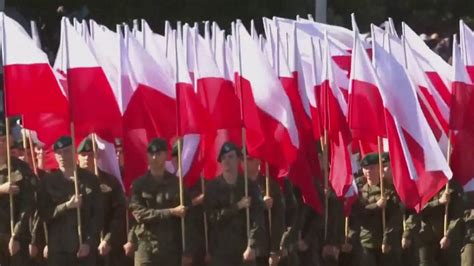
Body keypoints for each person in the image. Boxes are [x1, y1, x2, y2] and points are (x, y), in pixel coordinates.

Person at [37, 136, 103, 266]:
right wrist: (66, 206)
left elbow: (98, 215)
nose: (62, 156)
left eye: (66, 151)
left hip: (83, 247)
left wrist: (89, 243)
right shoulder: (48, 182)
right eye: (58, 152)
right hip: (58, 248)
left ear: (74, 152)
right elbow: (43, 214)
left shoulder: (90, 180)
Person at [128, 138, 195, 266]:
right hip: (146, 247)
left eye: (158, 154)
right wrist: (171, 212)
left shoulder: (177, 184)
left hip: (171, 248)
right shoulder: (139, 185)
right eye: (151, 154)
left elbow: (189, 219)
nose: (154, 157)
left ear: (166, 155)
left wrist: (188, 251)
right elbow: (140, 214)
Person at [204, 142, 264, 266]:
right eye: (223, 157)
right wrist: (238, 206)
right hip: (220, 251)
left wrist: (252, 245)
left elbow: (257, 218)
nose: (226, 161)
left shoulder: (249, 186)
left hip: (244, 250)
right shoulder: (212, 187)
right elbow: (212, 218)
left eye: (231, 157)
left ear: (238, 160)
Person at [77, 138, 129, 266]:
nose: (87, 158)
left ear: (97, 156)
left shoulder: (110, 182)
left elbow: (119, 213)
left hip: (105, 246)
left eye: (90, 155)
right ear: (77, 157)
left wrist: (108, 240)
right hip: (79, 246)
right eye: (83, 155)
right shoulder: (71, 183)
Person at [0, 121, 37, 266]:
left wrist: (15, 234)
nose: (0, 144)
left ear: (10, 140)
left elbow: (28, 204)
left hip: (16, 236)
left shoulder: (21, 168)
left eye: (3, 140)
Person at [355, 153, 399, 266]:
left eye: (372, 168)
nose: (369, 171)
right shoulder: (359, 191)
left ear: (379, 168)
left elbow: (394, 219)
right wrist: (376, 206)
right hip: (365, 240)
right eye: (366, 168)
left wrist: (387, 240)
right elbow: (357, 212)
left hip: (384, 242)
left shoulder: (388, 190)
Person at [246, 155, 285, 266]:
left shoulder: (269, 185)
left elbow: (278, 219)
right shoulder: (236, 185)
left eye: (249, 159)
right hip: (241, 249)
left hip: (263, 250)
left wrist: (274, 251)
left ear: (258, 161)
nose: (245, 162)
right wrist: (261, 205)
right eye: (243, 158)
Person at [417, 180, 464, 266]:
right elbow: (418, 209)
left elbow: (457, 215)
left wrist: (448, 235)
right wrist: (438, 202)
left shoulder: (454, 187)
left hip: (447, 238)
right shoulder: (424, 183)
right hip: (426, 237)